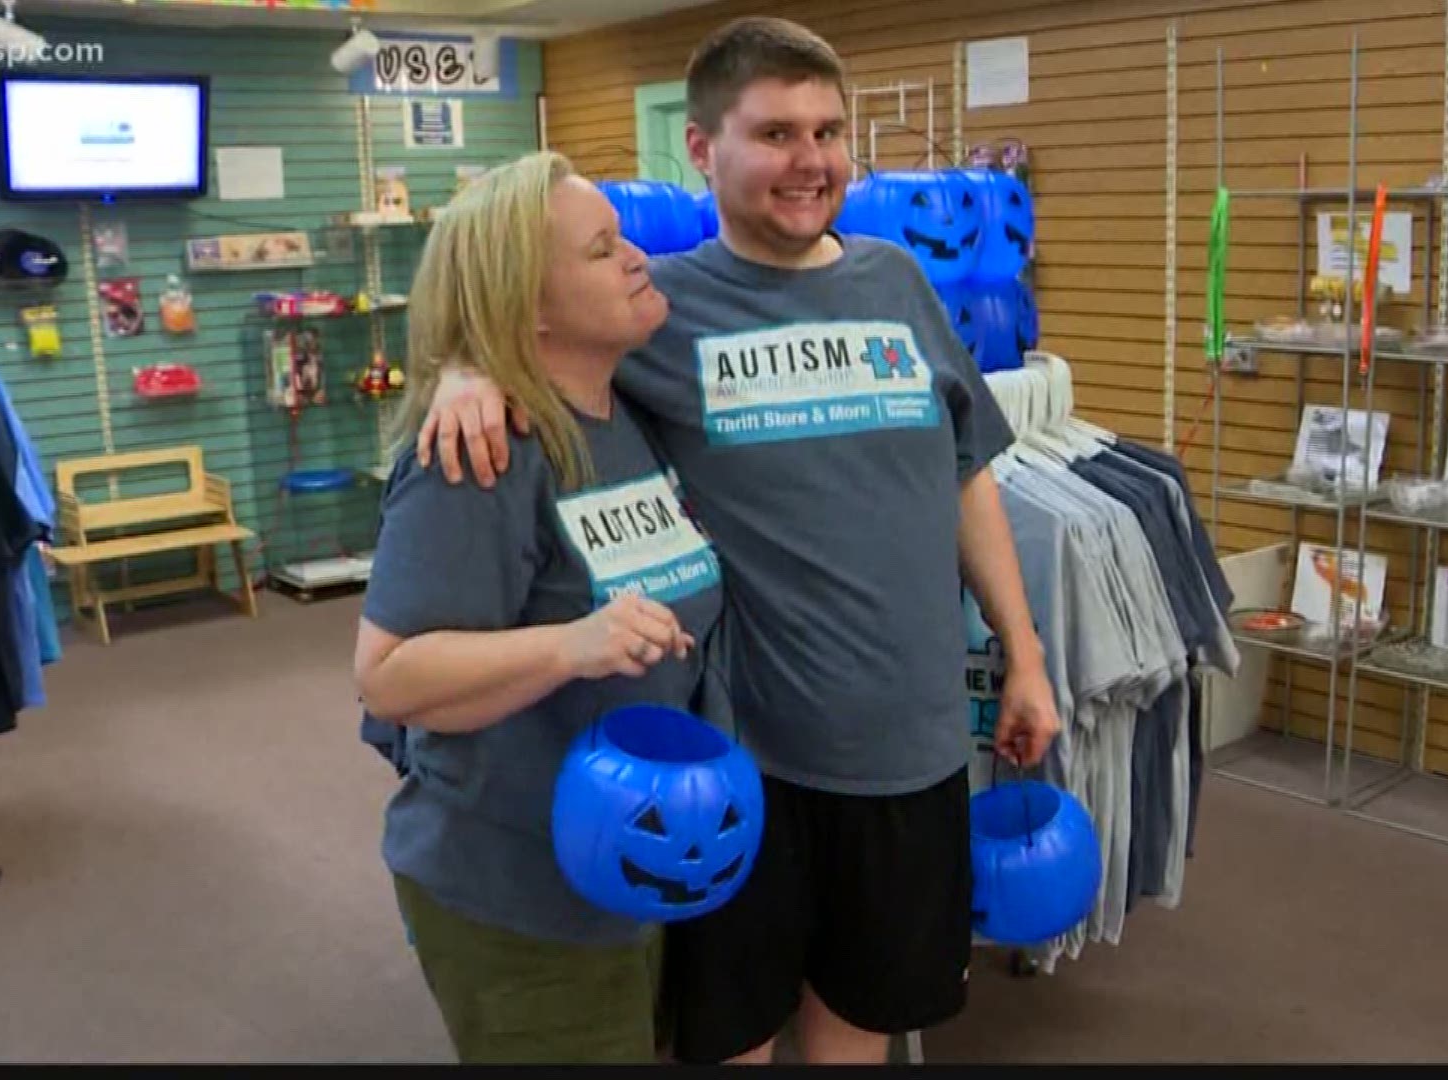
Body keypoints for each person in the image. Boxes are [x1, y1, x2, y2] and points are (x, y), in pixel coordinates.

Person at [415, 16, 1062, 1065]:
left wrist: (1024, 656)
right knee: (732, 1039)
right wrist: (462, 366)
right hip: (743, 766)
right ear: (704, 150)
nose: (811, 162)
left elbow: (966, 478)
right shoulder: (657, 314)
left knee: (858, 1026)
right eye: (775, 134)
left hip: (913, 751)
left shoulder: (902, 285)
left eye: (829, 131)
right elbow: (513, 319)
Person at [352, 149, 723, 1064]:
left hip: (622, 870)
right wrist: (572, 646)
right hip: (515, 889)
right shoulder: (482, 454)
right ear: (532, 306)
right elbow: (388, 676)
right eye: (602, 251)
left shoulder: (622, 408)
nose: (639, 258)